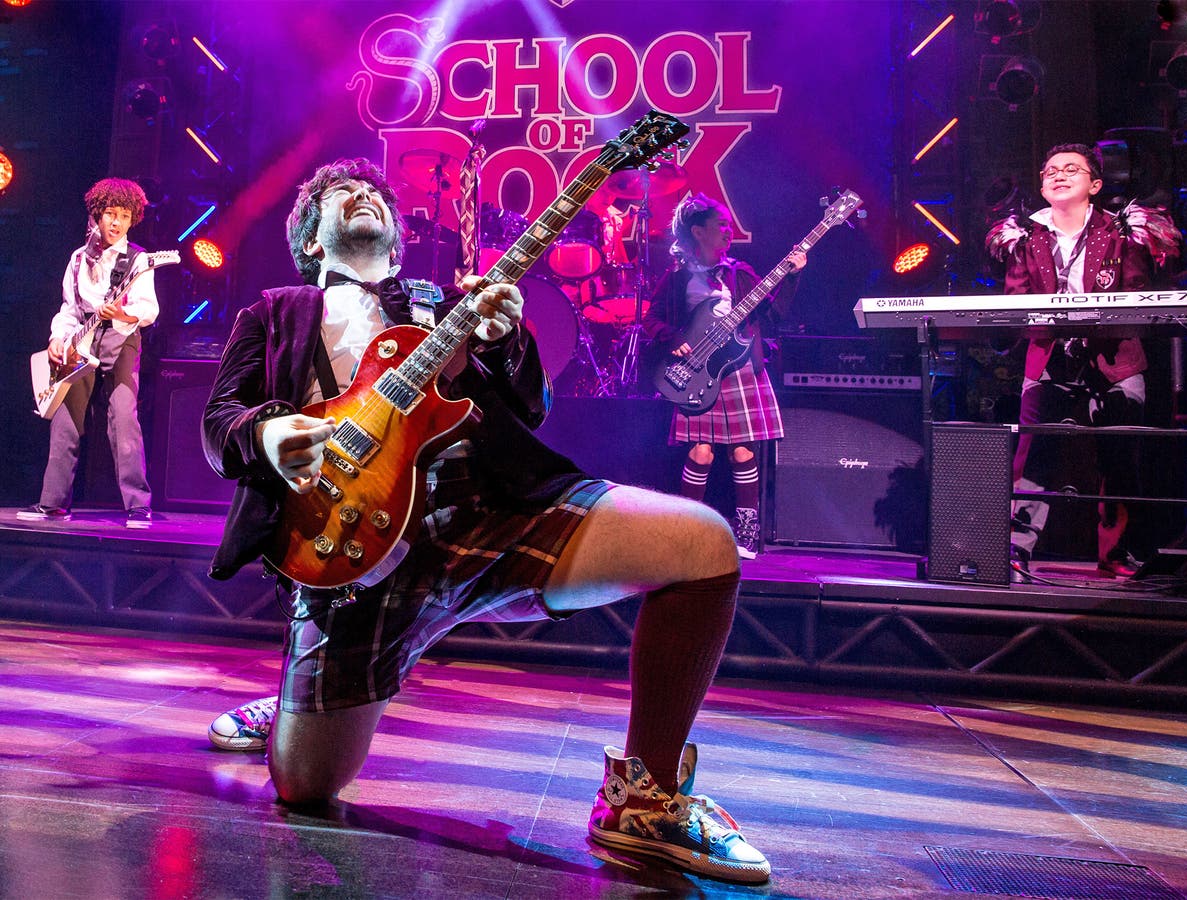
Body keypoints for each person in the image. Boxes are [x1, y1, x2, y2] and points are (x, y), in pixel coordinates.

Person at [201, 158, 770, 884]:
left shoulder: (443, 306)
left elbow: (530, 408)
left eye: (374, 192)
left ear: (397, 243)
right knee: (304, 788)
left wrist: (505, 343)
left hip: (485, 514)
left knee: (704, 544)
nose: (364, 194)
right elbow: (219, 420)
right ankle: (294, 698)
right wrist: (268, 433)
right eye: (341, 193)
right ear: (312, 240)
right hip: (350, 557)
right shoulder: (275, 312)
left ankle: (644, 797)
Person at [986, 143, 1181, 580]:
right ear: (1042, 187)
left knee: (1120, 458)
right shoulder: (1026, 237)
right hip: (1049, 356)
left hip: (1114, 356)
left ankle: (1118, 556)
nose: (1059, 175)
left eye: (1071, 169)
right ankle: (1016, 551)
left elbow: (1136, 293)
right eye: (1050, 171)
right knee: (1034, 457)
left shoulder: (1123, 231)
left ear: (1094, 185)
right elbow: (1015, 300)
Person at [641, 194, 805, 560]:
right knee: (700, 453)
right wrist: (674, 339)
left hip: (741, 368)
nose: (729, 231)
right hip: (697, 372)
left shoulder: (740, 272)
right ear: (698, 232)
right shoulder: (678, 277)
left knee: (743, 452)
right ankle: (688, 534)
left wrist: (793, 276)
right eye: (722, 225)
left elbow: (774, 314)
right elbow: (651, 318)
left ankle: (746, 537)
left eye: (730, 225)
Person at [19, 177, 159, 526]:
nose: (116, 222)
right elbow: (70, 309)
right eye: (110, 214)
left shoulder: (139, 260)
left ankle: (138, 505)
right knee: (65, 418)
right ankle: (52, 503)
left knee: (123, 418)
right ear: (97, 215)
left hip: (121, 339)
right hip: (82, 341)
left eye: (124, 216)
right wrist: (58, 338)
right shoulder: (78, 258)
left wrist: (123, 313)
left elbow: (148, 309)